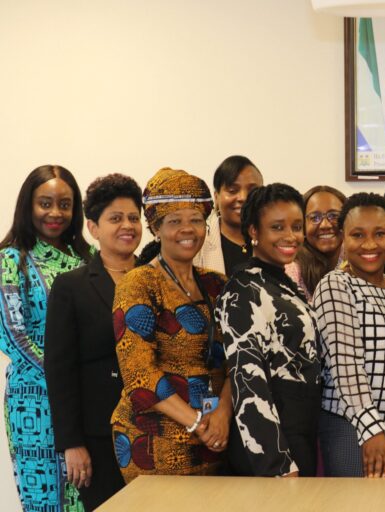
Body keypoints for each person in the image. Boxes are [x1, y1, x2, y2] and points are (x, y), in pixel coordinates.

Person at [111, 168, 232, 482]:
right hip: (154, 437)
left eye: (195, 219)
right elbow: (139, 372)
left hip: (214, 436)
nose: (187, 229)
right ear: (155, 227)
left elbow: (241, 358)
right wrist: (197, 423)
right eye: (174, 221)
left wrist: (221, 415)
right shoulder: (139, 283)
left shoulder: (217, 284)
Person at [44, 174, 142, 510]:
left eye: (133, 217)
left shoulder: (156, 278)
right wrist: (72, 443)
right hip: (100, 437)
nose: (127, 225)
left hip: (156, 431)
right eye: (115, 218)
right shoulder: (71, 287)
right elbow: (59, 370)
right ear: (93, 227)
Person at [0, 165, 91, 512]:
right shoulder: (11, 261)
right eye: (45, 203)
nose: (56, 213)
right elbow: (14, 336)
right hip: (34, 400)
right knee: (48, 501)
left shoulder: (88, 259)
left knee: (87, 494)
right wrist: (64, 378)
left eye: (65, 204)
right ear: (28, 206)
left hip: (87, 396)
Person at [216, 183, 322, 477]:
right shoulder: (243, 287)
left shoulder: (281, 282)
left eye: (296, 226)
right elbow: (246, 379)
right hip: (272, 444)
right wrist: (277, 463)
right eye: (277, 227)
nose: (290, 236)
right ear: (253, 231)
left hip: (300, 431)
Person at [313, 193, 385, 477]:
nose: (370, 244)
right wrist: (370, 429)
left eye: (380, 234)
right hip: (353, 429)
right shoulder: (336, 284)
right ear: (343, 238)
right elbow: (345, 365)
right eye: (358, 235)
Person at [195, 155, 263, 276]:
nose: (243, 198)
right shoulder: (198, 246)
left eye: (252, 191)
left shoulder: (276, 240)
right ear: (216, 198)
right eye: (232, 190)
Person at [285, 186, 347, 301]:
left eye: (334, 216)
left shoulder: (356, 259)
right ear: (302, 225)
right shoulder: (292, 271)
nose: (325, 225)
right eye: (315, 218)